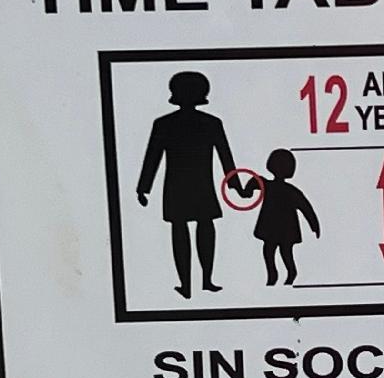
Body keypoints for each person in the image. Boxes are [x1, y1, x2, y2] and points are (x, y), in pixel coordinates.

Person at [135, 71, 246, 295]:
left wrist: (144, 188)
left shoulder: (167, 124)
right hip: (195, 185)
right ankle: (198, 282)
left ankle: (194, 283)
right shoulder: (208, 123)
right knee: (199, 228)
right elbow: (153, 157)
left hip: (183, 186)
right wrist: (236, 185)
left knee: (187, 230)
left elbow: (225, 156)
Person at [248, 148, 321, 285]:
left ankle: (290, 273)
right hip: (272, 227)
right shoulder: (269, 185)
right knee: (269, 251)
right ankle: (273, 275)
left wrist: (314, 225)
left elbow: (305, 208)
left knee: (284, 252)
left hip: (285, 228)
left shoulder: (288, 190)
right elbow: (252, 186)